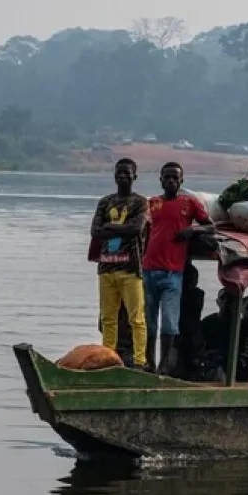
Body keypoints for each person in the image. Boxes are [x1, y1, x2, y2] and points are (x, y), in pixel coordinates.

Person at [142, 162, 214, 373]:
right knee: (148, 320)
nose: (171, 181)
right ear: (161, 180)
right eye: (167, 177)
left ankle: (164, 364)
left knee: (169, 321)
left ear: (181, 181)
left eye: (175, 177)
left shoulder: (189, 203)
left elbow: (210, 226)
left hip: (173, 271)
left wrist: (192, 230)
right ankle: (148, 362)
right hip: (149, 268)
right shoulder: (153, 203)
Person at [91, 158, 149, 369]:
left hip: (130, 269)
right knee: (108, 318)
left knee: (137, 319)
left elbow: (136, 229)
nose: (122, 176)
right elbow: (95, 232)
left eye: (127, 173)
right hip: (106, 268)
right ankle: (108, 358)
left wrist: (110, 227)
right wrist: (120, 229)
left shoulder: (140, 202)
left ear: (134, 176)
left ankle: (140, 361)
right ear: (114, 176)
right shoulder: (105, 202)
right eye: (119, 173)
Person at [176, 263, 206, 376]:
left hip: (191, 331)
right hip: (182, 330)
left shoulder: (197, 294)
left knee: (191, 360)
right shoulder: (179, 294)